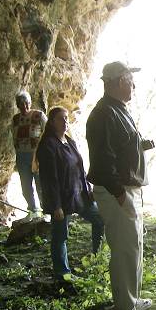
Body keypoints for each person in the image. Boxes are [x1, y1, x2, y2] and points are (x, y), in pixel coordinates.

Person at [86, 61, 155, 310]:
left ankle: (131, 299)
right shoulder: (104, 114)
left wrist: (140, 145)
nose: (134, 85)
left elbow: (119, 146)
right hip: (118, 192)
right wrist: (118, 193)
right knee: (124, 250)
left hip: (127, 189)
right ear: (116, 82)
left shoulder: (117, 110)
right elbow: (103, 160)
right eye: (129, 79)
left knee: (133, 246)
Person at [37, 107, 104, 279]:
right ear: (52, 122)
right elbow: (49, 179)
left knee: (100, 219)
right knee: (60, 236)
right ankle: (63, 273)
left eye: (66, 118)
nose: (65, 121)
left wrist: (88, 189)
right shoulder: (48, 145)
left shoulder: (70, 142)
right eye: (61, 118)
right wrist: (55, 206)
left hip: (79, 194)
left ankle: (98, 258)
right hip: (61, 198)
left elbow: (80, 169)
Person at [11, 90, 47, 220]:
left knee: (41, 185)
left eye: (26, 103)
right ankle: (32, 210)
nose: (24, 106)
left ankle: (46, 211)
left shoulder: (39, 115)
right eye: (20, 104)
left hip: (37, 155)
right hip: (21, 156)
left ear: (30, 102)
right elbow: (13, 136)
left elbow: (48, 133)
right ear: (17, 105)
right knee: (25, 186)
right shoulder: (15, 119)